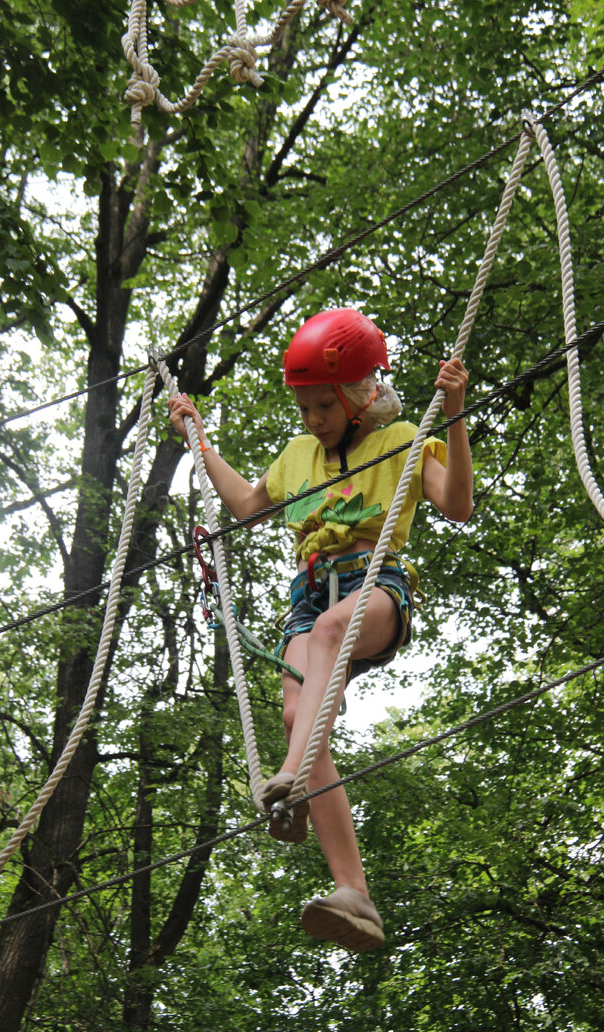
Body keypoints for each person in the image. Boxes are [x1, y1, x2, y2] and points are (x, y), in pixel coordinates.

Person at [168, 309, 472, 953]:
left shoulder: (405, 440)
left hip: (374, 585)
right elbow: (249, 508)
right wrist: (198, 441)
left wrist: (456, 413)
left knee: (333, 636)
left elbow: (457, 505)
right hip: (307, 596)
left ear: (359, 396)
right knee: (298, 714)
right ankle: (354, 894)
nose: (313, 419)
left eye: (323, 405)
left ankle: (292, 778)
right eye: (304, 407)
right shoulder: (298, 455)